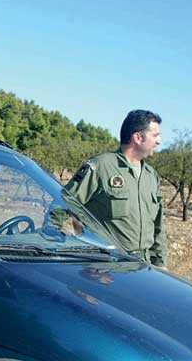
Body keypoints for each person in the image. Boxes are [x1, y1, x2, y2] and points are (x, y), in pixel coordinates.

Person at [61, 110, 167, 267]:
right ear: (138, 137)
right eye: (155, 135)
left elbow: (158, 226)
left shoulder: (151, 175)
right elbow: (63, 204)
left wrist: (160, 264)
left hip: (144, 267)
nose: (159, 141)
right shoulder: (101, 167)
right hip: (107, 265)